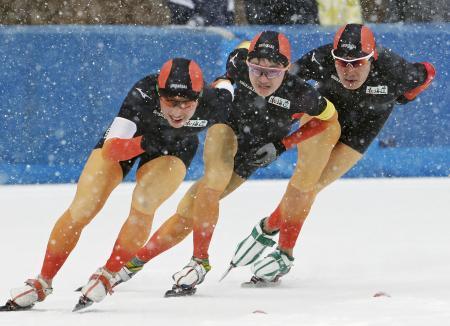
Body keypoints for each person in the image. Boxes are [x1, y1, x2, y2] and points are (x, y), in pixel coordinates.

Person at [111, 30, 340, 297]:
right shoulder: (237, 63)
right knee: (214, 180)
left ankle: (130, 266)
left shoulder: (303, 95)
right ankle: (199, 261)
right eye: (257, 69)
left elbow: (328, 119)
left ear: (287, 69)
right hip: (227, 129)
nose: (263, 78)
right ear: (248, 64)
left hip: (252, 155)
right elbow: (240, 52)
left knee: (188, 213)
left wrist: (283, 145)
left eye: (273, 72)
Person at [1, 58, 234, 311]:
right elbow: (112, 151)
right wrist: (146, 142)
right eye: (170, 102)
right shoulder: (143, 93)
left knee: (145, 200)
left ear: (199, 97)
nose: (177, 112)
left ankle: (108, 274)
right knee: (83, 206)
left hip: (175, 149)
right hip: (130, 141)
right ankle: (42, 281)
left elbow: (227, 83)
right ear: (158, 94)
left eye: (186, 104)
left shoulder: (215, 100)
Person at [227, 23, 436, 285]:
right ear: (333, 56)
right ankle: (284, 253)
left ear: (373, 58)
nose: (349, 70)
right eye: (342, 62)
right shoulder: (321, 57)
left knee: (310, 188)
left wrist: (406, 96)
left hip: (360, 133)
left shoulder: (397, 70)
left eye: (358, 63)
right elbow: (287, 82)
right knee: (304, 179)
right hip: (323, 118)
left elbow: (428, 72)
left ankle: (268, 227)